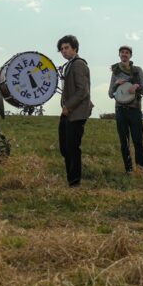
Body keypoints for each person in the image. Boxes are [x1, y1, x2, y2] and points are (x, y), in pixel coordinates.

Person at [57, 34, 91, 187]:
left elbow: (83, 90)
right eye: (61, 49)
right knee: (65, 147)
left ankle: (74, 182)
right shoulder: (70, 64)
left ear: (75, 48)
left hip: (76, 113)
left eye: (66, 48)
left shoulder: (78, 64)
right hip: (69, 112)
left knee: (72, 148)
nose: (63, 51)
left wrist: (68, 106)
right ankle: (71, 179)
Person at [108, 45, 143, 174]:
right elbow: (110, 94)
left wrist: (137, 87)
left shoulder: (137, 70)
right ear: (119, 55)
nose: (124, 54)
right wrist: (116, 84)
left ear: (130, 55)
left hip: (135, 109)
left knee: (138, 140)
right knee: (124, 142)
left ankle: (140, 169)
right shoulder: (115, 72)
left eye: (127, 52)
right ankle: (129, 169)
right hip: (120, 110)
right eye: (122, 52)